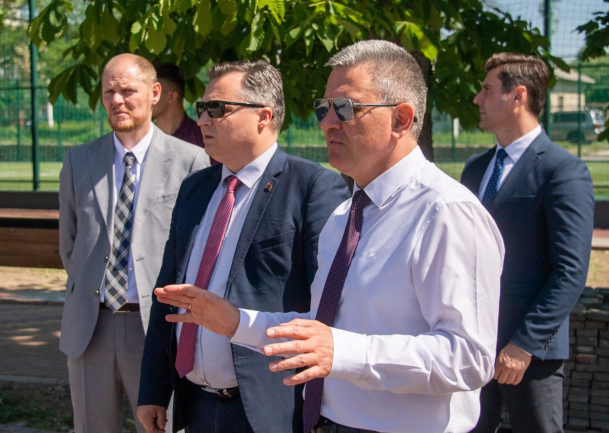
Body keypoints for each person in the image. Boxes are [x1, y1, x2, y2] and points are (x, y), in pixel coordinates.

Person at [153, 40, 505, 433]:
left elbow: (469, 358)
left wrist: (344, 352)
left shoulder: (445, 212)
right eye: (324, 108)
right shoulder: (345, 217)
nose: (327, 123)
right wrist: (237, 322)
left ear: (401, 119)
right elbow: (321, 328)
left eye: (345, 108)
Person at [137, 60, 350, 433]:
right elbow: (168, 295)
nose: (202, 121)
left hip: (270, 410)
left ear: (263, 116)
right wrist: (153, 390)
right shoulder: (195, 189)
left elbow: (330, 308)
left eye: (216, 109)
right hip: (197, 406)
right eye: (201, 109)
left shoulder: (312, 187)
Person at [58, 53, 209, 433]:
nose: (117, 100)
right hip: (90, 326)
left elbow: (196, 249)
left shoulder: (191, 160)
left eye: (127, 91)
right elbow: (70, 244)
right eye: (109, 92)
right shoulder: (78, 160)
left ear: (155, 93)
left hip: (156, 326)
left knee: (161, 427)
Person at [461, 53, 594, 432]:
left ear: (518, 96)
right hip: (471, 346)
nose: (477, 99)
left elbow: (569, 271)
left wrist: (525, 344)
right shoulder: (475, 168)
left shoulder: (562, 170)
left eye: (487, 90)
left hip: (528, 356)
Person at [152, 62, 206, 149]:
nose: (146, 98)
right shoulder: (140, 139)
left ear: (172, 96)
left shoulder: (203, 138)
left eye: (154, 92)